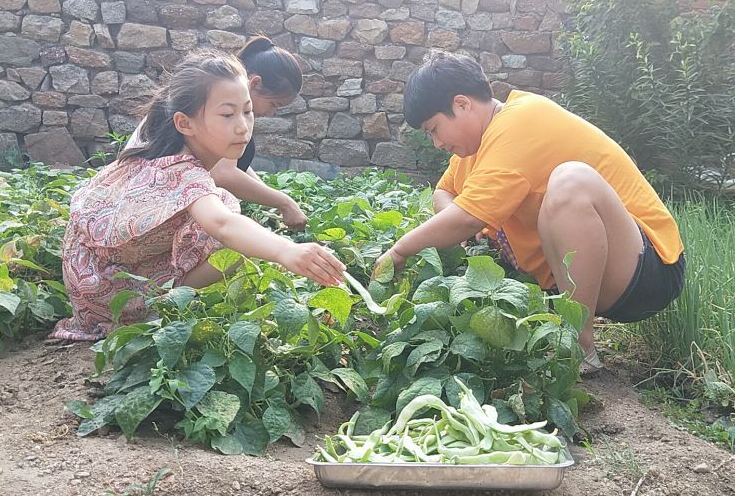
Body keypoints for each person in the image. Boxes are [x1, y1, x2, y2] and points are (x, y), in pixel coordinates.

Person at [373, 52, 685, 374]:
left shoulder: (522, 121)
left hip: (647, 268)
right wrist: (468, 232)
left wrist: (400, 251)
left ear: (463, 104)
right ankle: (567, 331)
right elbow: (444, 191)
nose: (436, 142)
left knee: (570, 181)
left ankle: (578, 348)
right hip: (586, 278)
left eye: (434, 129)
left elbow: (467, 218)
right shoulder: (475, 150)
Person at [51, 50, 346, 342]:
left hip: (91, 273)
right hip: (104, 291)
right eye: (228, 114)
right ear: (185, 123)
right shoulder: (182, 168)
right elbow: (222, 223)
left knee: (225, 216)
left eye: (248, 111)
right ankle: (158, 311)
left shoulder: (170, 148)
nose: (243, 126)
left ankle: (163, 296)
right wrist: (286, 250)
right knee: (233, 240)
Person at [127, 36, 307, 230]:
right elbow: (223, 173)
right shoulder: (211, 107)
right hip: (149, 208)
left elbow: (236, 165)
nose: (271, 113)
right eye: (274, 104)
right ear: (254, 83)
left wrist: (270, 196)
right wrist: (284, 203)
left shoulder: (221, 109)